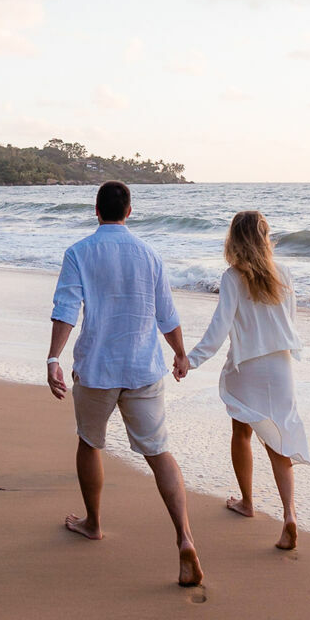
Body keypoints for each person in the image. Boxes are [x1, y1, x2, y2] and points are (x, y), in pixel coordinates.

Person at [46, 180, 204, 588]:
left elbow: (66, 309)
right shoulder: (149, 254)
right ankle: (185, 536)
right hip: (143, 368)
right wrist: (180, 354)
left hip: (97, 369)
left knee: (89, 442)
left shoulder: (79, 252)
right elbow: (166, 314)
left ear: (96, 211)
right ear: (129, 211)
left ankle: (93, 523)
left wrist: (53, 358)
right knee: (159, 452)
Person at [182, 210, 310, 551]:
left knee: (242, 433)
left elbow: (219, 328)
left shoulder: (232, 277)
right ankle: (289, 513)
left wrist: (190, 361)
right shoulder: (284, 273)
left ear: (234, 239)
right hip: (281, 367)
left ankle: (248, 502)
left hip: (248, 368)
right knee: (278, 441)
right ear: (264, 237)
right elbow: (290, 322)